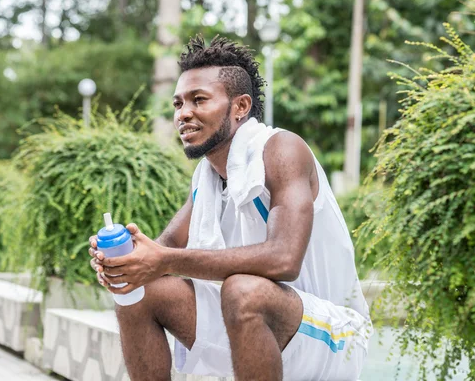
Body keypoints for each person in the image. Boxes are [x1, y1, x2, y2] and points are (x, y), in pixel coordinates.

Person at [88, 35, 371, 381]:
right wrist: (126, 263)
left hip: (331, 336)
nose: (183, 113)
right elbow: (166, 250)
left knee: (242, 289)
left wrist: (161, 260)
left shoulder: (281, 149)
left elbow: (284, 259)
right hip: (250, 326)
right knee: (139, 292)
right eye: (177, 104)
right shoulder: (207, 176)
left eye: (199, 100)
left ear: (240, 107)